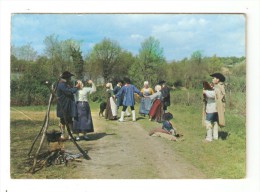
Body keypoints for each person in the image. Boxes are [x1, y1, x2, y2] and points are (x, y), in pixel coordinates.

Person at [202, 73, 226, 142]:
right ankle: (215, 137)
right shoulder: (218, 86)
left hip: (212, 107)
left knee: (208, 121)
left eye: (213, 78)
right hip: (216, 108)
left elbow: (214, 95)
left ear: (218, 79)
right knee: (215, 122)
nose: (212, 79)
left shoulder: (218, 87)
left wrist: (205, 91)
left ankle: (209, 138)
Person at [56, 71, 79, 139]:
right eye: (69, 77)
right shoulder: (61, 84)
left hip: (68, 105)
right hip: (63, 105)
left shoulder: (66, 84)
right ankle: (63, 134)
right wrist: (76, 87)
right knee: (63, 120)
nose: (70, 78)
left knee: (69, 120)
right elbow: (69, 92)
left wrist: (74, 88)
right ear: (66, 78)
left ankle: (70, 135)